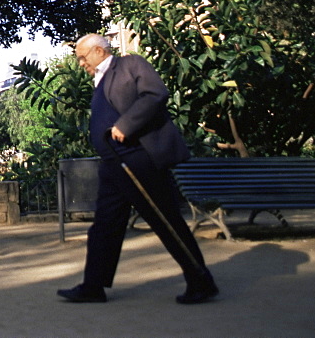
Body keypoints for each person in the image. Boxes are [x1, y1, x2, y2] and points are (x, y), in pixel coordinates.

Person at [57, 33, 219, 304]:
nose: (81, 64)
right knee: (104, 226)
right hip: (113, 165)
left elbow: (155, 94)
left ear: (98, 51)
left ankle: (201, 280)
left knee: (164, 219)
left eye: (83, 57)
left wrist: (126, 124)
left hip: (138, 159)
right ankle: (92, 287)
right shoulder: (99, 79)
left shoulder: (130, 65)